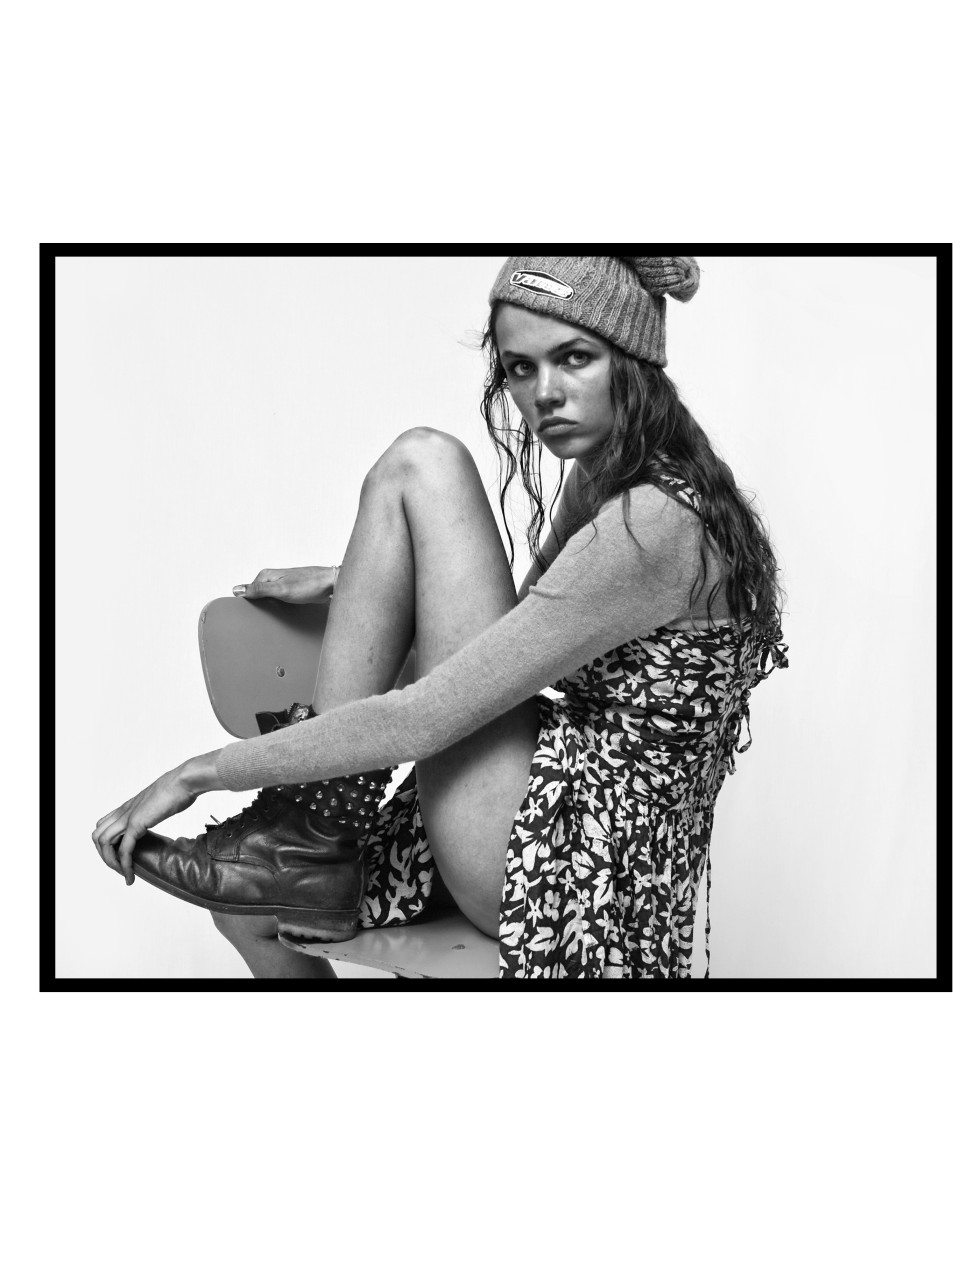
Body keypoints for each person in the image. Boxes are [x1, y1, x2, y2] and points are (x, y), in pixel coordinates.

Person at [91, 255, 789, 980]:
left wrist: (199, 774)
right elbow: (512, 637)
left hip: (576, 877)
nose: (545, 393)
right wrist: (360, 579)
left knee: (423, 465)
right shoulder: (609, 479)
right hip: (540, 807)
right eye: (520, 369)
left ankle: (306, 831)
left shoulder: (656, 522)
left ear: (635, 360)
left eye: (575, 358)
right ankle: (304, 849)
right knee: (249, 910)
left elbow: (432, 713)